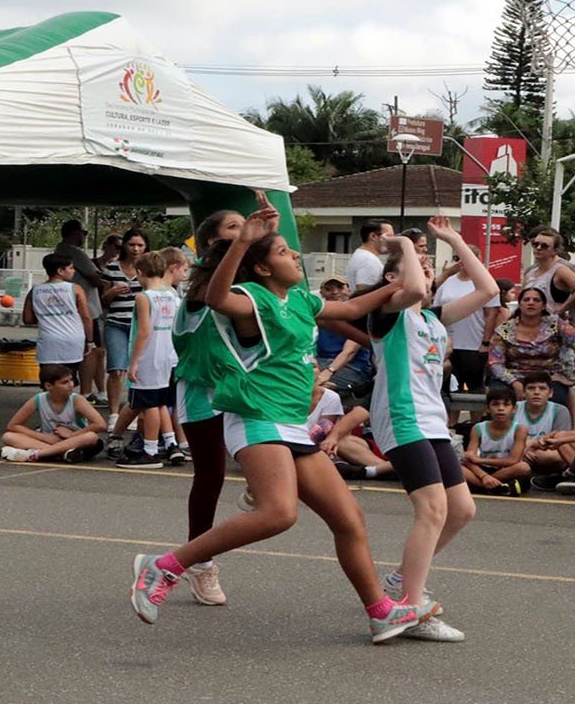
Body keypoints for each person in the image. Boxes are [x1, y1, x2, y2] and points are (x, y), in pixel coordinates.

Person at [130, 204, 425, 643]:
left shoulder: (302, 301)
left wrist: (394, 286)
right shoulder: (253, 299)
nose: (294, 258)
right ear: (265, 267)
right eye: (285, 252)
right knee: (278, 513)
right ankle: (165, 566)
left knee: (349, 518)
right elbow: (214, 296)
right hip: (255, 416)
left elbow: (351, 310)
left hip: (289, 422)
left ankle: (381, 611)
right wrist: (245, 240)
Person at [358, 215, 493, 642]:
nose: (426, 268)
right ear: (392, 278)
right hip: (402, 416)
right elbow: (412, 288)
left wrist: (454, 238)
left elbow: (488, 290)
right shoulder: (386, 315)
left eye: (429, 263)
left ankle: (401, 580)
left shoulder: (433, 319)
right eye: (418, 262)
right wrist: (402, 245)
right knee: (432, 510)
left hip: (431, 419)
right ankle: (410, 609)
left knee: (462, 510)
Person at [167, 210, 245, 606]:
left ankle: (261, 490)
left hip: (239, 390)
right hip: (202, 392)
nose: (243, 230)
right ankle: (200, 564)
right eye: (234, 227)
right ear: (214, 244)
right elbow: (210, 290)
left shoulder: (245, 291)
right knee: (211, 475)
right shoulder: (199, 296)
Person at [117, 251, 180, 469]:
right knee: (161, 401)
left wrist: (134, 361)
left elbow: (144, 330)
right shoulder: (172, 294)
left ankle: (149, 449)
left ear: (140, 272)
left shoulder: (144, 297)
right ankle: (171, 442)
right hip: (167, 354)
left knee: (149, 404)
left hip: (148, 355)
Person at [487, 287, 575, 407]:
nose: (531, 303)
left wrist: (573, 377)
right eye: (526, 299)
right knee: (499, 399)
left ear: (544, 305)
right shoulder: (504, 330)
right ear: (520, 304)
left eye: (536, 300)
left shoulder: (556, 325)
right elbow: (495, 362)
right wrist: (514, 382)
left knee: (556, 400)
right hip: (512, 377)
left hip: (548, 378)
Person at [0, 364, 107, 462]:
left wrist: (71, 435)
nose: (71, 385)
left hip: (75, 441)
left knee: (91, 437)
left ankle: (37, 453)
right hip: (49, 440)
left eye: (71, 380)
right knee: (8, 436)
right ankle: (61, 453)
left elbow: (100, 424)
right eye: (64, 382)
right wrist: (43, 437)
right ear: (49, 386)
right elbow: (13, 425)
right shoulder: (38, 399)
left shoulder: (77, 400)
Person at [432, 245, 501, 395]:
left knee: (475, 389)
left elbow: (491, 314)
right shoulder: (447, 282)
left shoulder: (486, 283)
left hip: (473, 344)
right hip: (448, 345)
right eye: (457, 259)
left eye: (467, 259)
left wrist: (486, 342)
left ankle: (476, 419)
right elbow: (436, 310)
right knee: (450, 388)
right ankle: (453, 419)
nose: (461, 263)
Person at [55, 219, 109, 406]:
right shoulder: (74, 253)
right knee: (91, 351)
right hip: (87, 308)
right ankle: (86, 393)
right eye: (83, 233)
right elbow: (95, 278)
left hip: (65, 314)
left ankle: (94, 391)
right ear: (75, 233)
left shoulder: (59, 250)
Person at [21, 254, 92, 386]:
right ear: (60, 271)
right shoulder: (75, 289)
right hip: (73, 341)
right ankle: (67, 404)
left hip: (48, 343)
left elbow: (27, 319)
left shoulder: (35, 291)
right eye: (70, 268)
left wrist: (46, 317)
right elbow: (86, 317)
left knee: (50, 382)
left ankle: (48, 405)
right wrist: (89, 340)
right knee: (68, 381)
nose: (73, 271)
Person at [101, 229, 149, 419]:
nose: (136, 249)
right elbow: (103, 300)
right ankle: (114, 414)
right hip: (116, 323)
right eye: (132, 245)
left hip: (141, 324)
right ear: (124, 246)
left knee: (139, 369)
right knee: (116, 368)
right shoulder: (112, 268)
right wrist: (113, 292)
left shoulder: (151, 268)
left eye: (140, 245)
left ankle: (134, 412)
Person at [459, 387, 529, 496]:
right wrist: (484, 476)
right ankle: (492, 486)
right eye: (495, 404)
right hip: (483, 470)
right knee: (457, 467)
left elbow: (513, 460)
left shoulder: (520, 429)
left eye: (506, 405)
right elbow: (470, 458)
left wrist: (480, 460)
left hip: (506, 470)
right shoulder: (478, 428)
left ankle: (482, 486)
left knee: (523, 467)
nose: (501, 408)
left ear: (514, 409)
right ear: (487, 408)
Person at [316, 277, 375, 400]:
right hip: (321, 363)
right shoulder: (318, 317)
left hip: (353, 368)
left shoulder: (357, 316)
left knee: (311, 387)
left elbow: (349, 352)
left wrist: (328, 372)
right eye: (328, 289)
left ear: (348, 289)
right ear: (321, 293)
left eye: (340, 287)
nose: (335, 292)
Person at [517, 373, 575, 480]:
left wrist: (530, 446)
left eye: (542, 388)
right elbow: (505, 437)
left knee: (552, 456)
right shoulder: (514, 409)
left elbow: (560, 441)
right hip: (519, 450)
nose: (536, 392)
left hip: (543, 452)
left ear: (550, 393)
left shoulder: (560, 411)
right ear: (524, 392)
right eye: (531, 388)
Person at [521, 227, 575, 316]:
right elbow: (522, 298)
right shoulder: (530, 272)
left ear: (555, 250)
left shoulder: (563, 269)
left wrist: (562, 309)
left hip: (557, 323)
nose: (538, 248)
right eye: (535, 244)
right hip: (532, 323)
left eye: (544, 246)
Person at [348, 220, 394, 293]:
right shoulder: (369, 260)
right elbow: (364, 294)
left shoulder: (362, 255)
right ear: (373, 236)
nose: (392, 240)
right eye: (389, 236)